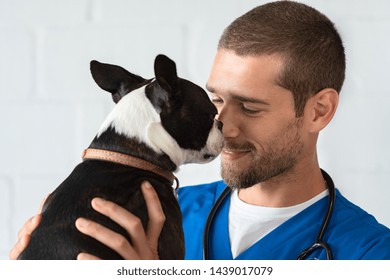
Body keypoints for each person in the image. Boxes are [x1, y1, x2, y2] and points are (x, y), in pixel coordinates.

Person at [10, 0, 390, 260]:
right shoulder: (151, 210)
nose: (223, 123)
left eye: (250, 106)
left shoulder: (371, 253)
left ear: (318, 111)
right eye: (216, 101)